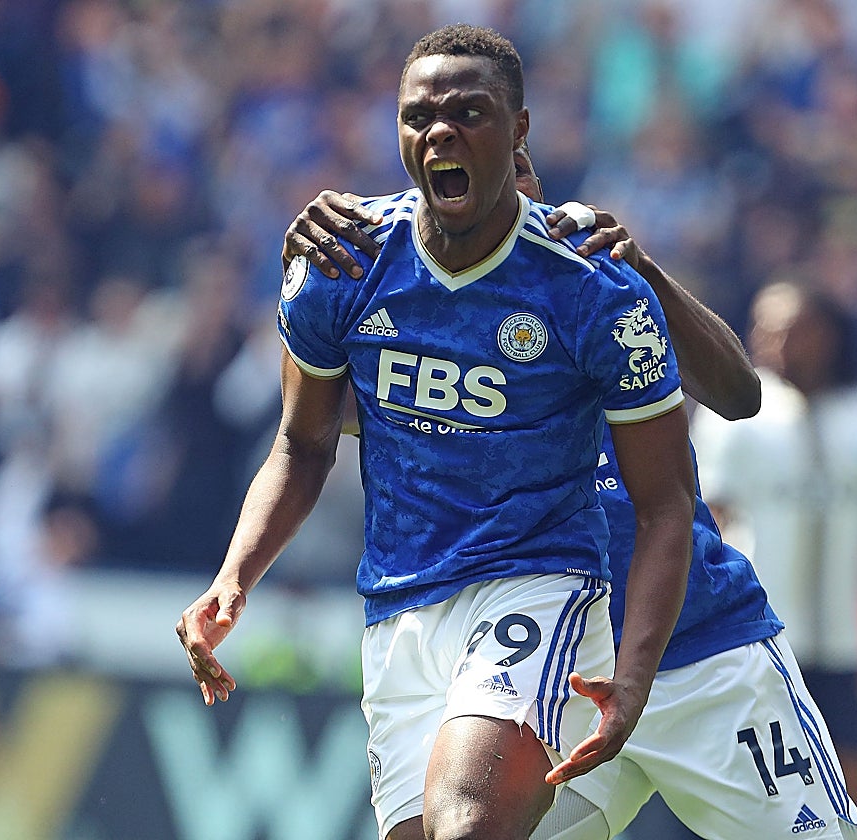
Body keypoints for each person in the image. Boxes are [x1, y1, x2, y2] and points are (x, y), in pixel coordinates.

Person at [177, 25, 699, 840]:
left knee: (466, 824)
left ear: (520, 129)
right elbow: (302, 446)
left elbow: (667, 500)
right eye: (419, 117)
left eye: (469, 113)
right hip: (399, 609)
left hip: (536, 583)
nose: (441, 133)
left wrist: (633, 677)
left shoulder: (593, 289)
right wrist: (234, 577)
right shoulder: (341, 267)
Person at [284, 147, 857, 838]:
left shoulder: (594, 291)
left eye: (512, 178)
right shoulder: (420, 330)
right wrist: (306, 274)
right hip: (561, 678)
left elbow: (741, 395)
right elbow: (316, 416)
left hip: (700, 651)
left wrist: (644, 274)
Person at [691, 280, 857, 817]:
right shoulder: (733, 415)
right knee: (759, 788)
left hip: (846, 641)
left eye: (791, 329)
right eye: (764, 328)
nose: (772, 341)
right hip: (762, 639)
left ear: (828, 334)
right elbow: (707, 524)